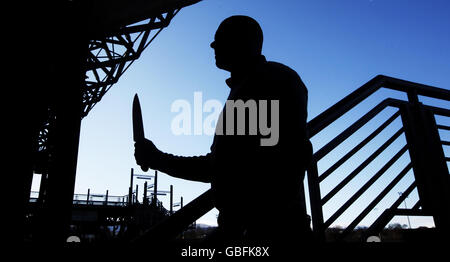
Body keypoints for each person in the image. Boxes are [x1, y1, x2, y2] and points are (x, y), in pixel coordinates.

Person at [135, 15, 313, 245]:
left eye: (219, 38)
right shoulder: (261, 82)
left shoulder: (262, 83)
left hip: (266, 233)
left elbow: (227, 166)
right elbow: (233, 163)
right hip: (264, 228)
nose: (213, 45)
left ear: (241, 41)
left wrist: (158, 159)